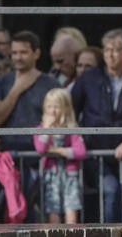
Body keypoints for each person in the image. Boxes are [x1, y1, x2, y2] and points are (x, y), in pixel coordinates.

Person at [71, 28, 122, 223]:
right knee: (111, 191)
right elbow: (72, 108)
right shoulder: (89, 78)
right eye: (107, 49)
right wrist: (79, 138)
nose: (110, 54)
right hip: (95, 151)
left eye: (116, 50)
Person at [0, 30, 59, 221]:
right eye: (14, 53)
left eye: (23, 52)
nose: (17, 58)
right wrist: (16, 90)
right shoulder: (2, 82)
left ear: (37, 53)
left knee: (43, 219)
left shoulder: (50, 83)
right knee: (11, 218)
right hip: (8, 163)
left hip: (44, 162)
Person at [34, 88, 86, 224]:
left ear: (65, 108)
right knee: (53, 216)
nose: (52, 111)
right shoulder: (40, 129)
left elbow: (80, 151)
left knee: (72, 217)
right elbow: (40, 148)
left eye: (56, 107)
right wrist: (47, 129)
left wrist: (57, 150)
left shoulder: (72, 128)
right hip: (50, 177)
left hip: (70, 177)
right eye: (49, 106)